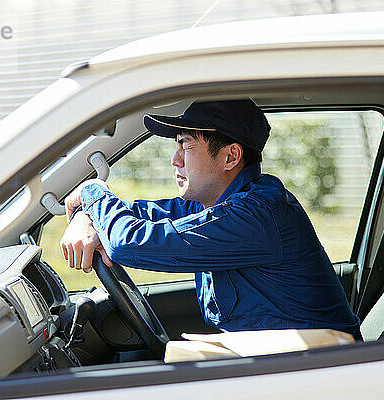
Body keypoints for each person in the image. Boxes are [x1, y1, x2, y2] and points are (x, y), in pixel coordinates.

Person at [60, 99, 361, 339]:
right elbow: (131, 216)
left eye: (186, 145)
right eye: (176, 145)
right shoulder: (210, 205)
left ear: (230, 157)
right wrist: (87, 216)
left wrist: (92, 189)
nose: (175, 159)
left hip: (318, 373)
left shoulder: (256, 216)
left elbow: (128, 242)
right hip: (281, 364)